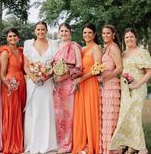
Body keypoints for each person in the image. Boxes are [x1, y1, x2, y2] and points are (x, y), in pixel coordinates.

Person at [109, 28, 151, 154]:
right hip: (125, 89)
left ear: (136, 38)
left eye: (131, 37)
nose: (129, 39)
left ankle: (142, 148)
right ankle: (131, 145)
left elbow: (150, 71)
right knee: (126, 116)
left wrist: (137, 84)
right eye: (127, 37)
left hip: (138, 88)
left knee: (135, 116)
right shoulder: (124, 53)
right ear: (124, 39)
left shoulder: (142, 52)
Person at [23, 21, 58, 153]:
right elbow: (26, 65)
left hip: (47, 82)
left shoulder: (53, 45)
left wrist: (46, 76)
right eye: (38, 29)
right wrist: (33, 77)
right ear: (34, 31)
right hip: (32, 83)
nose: (40, 32)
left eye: (43, 29)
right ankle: (33, 142)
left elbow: (55, 64)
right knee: (34, 110)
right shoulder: (28, 44)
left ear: (46, 30)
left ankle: (48, 143)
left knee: (47, 108)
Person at [72, 23, 102, 154]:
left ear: (94, 35)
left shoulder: (96, 48)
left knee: (90, 114)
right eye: (85, 33)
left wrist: (82, 79)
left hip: (90, 84)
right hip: (81, 85)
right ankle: (82, 144)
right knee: (81, 115)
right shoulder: (81, 49)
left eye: (90, 32)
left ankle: (91, 146)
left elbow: (97, 69)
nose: (87, 35)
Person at [53, 23, 82, 153]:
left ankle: (67, 145)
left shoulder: (75, 46)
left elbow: (79, 67)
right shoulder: (56, 46)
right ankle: (58, 143)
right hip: (57, 85)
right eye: (62, 31)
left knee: (68, 115)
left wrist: (66, 74)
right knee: (58, 114)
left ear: (70, 32)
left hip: (68, 83)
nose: (64, 33)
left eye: (66, 31)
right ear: (59, 32)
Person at [0, 28, 26, 153]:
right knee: (11, 113)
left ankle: (19, 140)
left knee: (20, 111)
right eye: (10, 36)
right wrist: (9, 85)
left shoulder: (21, 50)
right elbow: (2, 74)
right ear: (7, 38)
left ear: (18, 38)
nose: (12, 38)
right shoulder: (5, 52)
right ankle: (10, 142)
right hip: (10, 85)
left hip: (21, 84)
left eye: (14, 36)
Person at [98, 25, 122, 154]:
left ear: (113, 34)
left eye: (108, 33)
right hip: (105, 86)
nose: (105, 35)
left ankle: (112, 150)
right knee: (106, 117)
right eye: (103, 33)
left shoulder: (114, 48)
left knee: (111, 117)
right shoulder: (105, 48)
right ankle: (106, 149)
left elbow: (119, 68)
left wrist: (106, 77)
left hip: (112, 85)